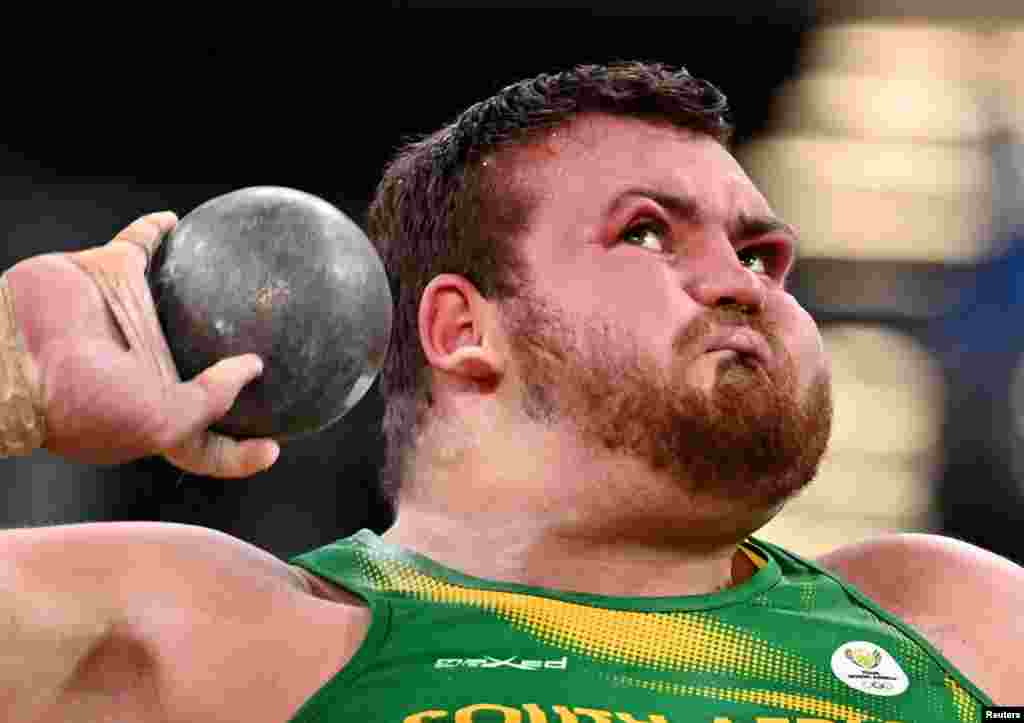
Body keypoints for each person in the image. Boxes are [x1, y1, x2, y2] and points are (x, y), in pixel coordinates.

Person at [0, 62, 1017, 723]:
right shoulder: (216, 634)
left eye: (761, 252)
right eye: (649, 232)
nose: (743, 280)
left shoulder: (944, 619)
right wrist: (15, 373)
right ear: (461, 329)